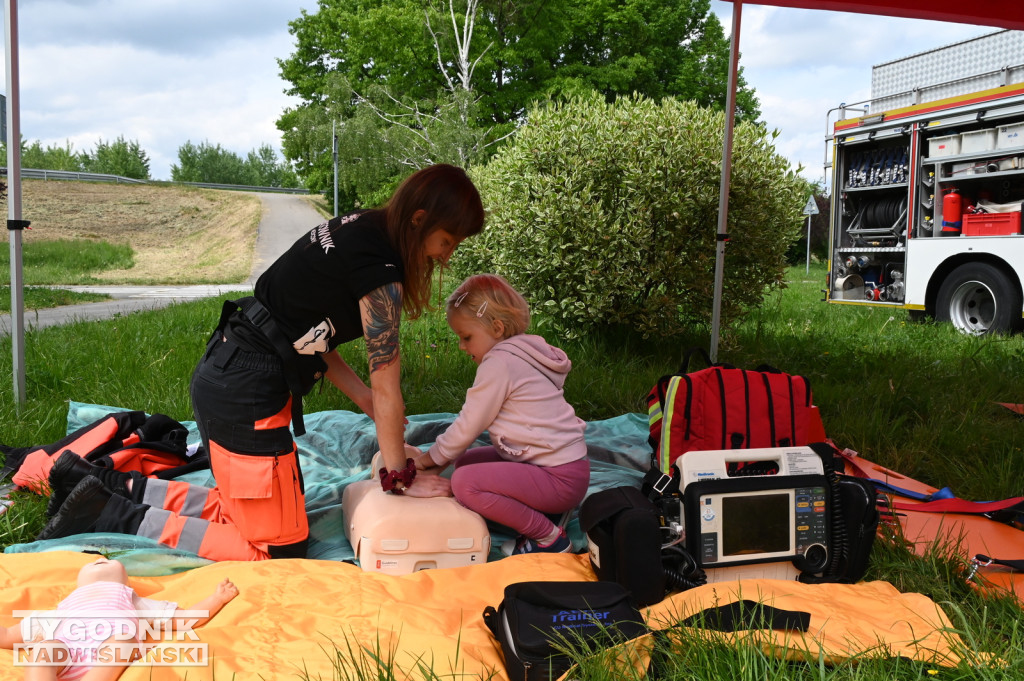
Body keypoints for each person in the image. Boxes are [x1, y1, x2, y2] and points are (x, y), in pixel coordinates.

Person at [37, 164, 486, 561]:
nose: (446, 256)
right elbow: (389, 384)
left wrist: (368, 404)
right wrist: (399, 478)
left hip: (229, 376)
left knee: (246, 513)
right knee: (277, 549)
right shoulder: (380, 271)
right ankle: (113, 513)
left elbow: (309, 334)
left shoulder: (362, 227)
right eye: (446, 241)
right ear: (419, 219)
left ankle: (103, 485)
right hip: (246, 396)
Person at [410, 273, 590, 555]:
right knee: (467, 462)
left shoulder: (499, 363)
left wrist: (429, 458)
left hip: (558, 480)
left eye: (466, 337)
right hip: (567, 469)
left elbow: (468, 426)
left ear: (496, 327)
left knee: (465, 483)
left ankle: (548, 538)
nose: (462, 346)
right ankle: (550, 515)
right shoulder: (525, 351)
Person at [0, 556, 238, 681]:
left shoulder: (129, 599)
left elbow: (186, 619)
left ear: (125, 581)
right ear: (78, 584)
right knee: (45, 650)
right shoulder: (62, 608)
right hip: (68, 655)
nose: (100, 558)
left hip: (106, 658)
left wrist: (217, 598)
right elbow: (9, 635)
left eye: (108, 561)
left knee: (122, 641)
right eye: (94, 561)